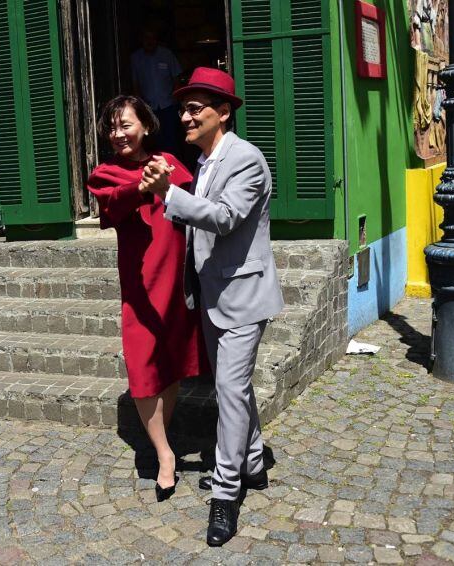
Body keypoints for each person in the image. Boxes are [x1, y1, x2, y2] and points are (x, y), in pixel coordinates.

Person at [140, 68, 284, 547]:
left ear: (223, 113)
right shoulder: (204, 161)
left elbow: (224, 219)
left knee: (228, 391)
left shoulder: (246, 159)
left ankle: (226, 493)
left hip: (243, 296)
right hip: (213, 294)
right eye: (182, 108)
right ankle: (256, 462)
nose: (184, 116)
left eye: (194, 108)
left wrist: (168, 194)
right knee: (235, 388)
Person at [87, 95, 206, 501]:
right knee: (141, 373)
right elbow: (114, 203)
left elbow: (198, 201)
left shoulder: (170, 160)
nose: (118, 134)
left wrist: (167, 183)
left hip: (178, 281)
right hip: (140, 288)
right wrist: (144, 187)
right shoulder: (105, 173)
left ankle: (162, 435)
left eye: (126, 125)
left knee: (170, 365)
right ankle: (163, 452)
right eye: (112, 127)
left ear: (147, 126)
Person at [131, 27, 183, 156]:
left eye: (152, 38)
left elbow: (177, 77)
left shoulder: (166, 54)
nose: (149, 41)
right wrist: (140, 105)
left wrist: (175, 99)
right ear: (141, 40)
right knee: (153, 139)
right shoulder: (135, 58)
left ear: (156, 40)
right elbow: (135, 83)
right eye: (146, 38)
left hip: (168, 105)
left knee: (171, 139)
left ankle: (173, 167)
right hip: (148, 107)